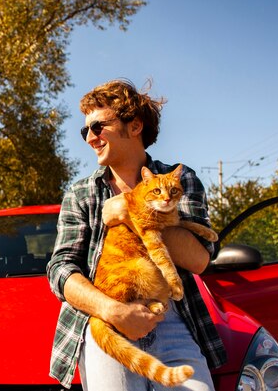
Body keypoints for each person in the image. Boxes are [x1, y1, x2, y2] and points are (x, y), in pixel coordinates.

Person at [46, 79, 226, 391]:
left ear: (135, 126)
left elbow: (199, 260)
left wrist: (132, 213)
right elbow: (60, 269)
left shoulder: (180, 180)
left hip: (170, 317)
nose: (90, 138)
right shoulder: (81, 193)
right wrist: (112, 310)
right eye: (85, 130)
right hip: (106, 316)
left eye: (98, 126)